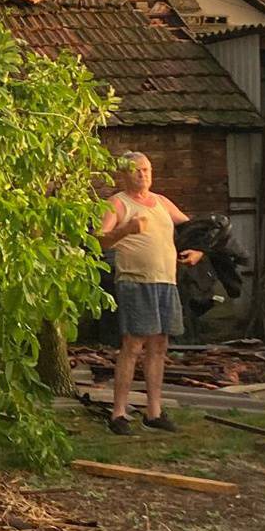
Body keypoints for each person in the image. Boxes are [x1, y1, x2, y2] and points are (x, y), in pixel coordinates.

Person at [96, 152, 204, 435]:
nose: (143, 175)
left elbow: (194, 230)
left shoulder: (162, 202)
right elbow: (99, 241)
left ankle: (153, 412)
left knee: (159, 345)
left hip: (166, 281)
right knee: (133, 346)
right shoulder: (118, 203)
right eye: (136, 171)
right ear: (124, 175)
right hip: (135, 282)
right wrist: (126, 229)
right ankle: (118, 413)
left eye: (146, 170)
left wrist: (199, 251)